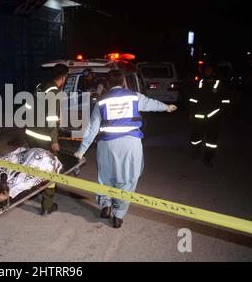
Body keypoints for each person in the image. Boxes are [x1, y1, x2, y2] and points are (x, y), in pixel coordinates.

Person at [74, 69, 177, 228]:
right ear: (123, 82)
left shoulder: (101, 101)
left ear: (107, 84)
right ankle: (118, 215)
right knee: (128, 179)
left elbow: (92, 129)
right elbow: (150, 103)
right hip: (130, 144)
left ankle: (105, 205)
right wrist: (166, 107)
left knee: (105, 177)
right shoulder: (133, 96)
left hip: (107, 145)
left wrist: (81, 150)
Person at [24, 64, 69, 216]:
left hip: (31, 133)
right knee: (50, 169)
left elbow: (28, 108)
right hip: (44, 137)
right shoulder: (54, 92)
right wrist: (54, 141)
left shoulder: (39, 86)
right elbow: (51, 120)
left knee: (35, 164)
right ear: (63, 77)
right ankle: (47, 205)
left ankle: (35, 191)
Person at [189, 65, 230, 166]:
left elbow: (225, 100)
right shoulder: (200, 83)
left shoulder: (219, 84)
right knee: (195, 137)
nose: (207, 72)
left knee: (211, 140)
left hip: (213, 117)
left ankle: (208, 158)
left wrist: (220, 112)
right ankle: (196, 149)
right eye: (206, 70)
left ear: (213, 72)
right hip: (199, 116)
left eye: (210, 70)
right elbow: (193, 99)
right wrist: (191, 112)